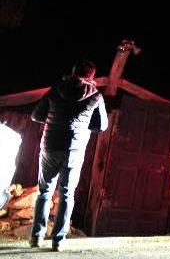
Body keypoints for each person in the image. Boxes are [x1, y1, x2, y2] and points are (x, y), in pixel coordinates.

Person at [29, 62, 108, 251]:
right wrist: (83, 125)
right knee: (66, 194)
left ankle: (36, 237)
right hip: (74, 149)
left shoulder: (56, 90)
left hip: (50, 146)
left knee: (44, 192)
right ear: (91, 76)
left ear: (72, 72)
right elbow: (102, 126)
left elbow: (35, 115)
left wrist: (53, 119)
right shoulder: (96, 96)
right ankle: (58, 240)